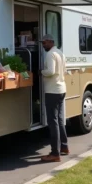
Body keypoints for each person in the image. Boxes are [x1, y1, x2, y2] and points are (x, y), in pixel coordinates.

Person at [39, 34, 69, 162]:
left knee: (53, 122)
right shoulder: (60, 53)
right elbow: (65, 70)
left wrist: (41, 71)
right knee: (60, 119)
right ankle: (64, 147)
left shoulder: (50, 54)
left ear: (51, 42)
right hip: (61, 89)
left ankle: (55, 153)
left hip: (52, 91)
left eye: (44, 43)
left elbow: (50, 71)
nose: (43, 45)